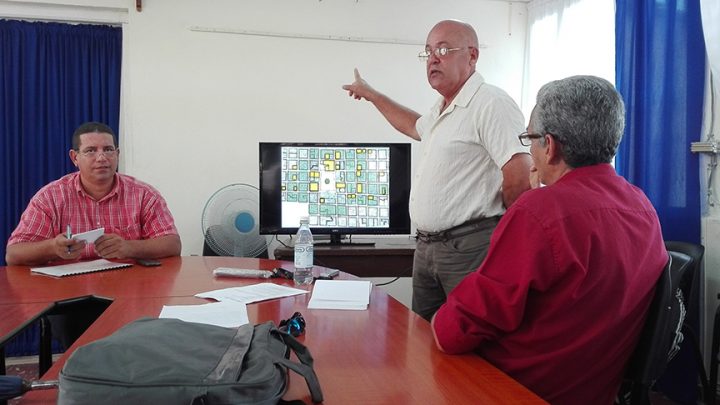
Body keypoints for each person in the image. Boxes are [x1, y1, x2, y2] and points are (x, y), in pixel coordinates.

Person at [431, 75, 668, 405]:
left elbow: (455, 332)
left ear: (551, 145)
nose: (530, 149)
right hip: (595, 391)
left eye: (530, 138)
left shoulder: (540, 213)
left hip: (515, 389)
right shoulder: (641, 204)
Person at [342, 20, 532, 321]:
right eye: (428, 51)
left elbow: (521, 176)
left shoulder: (490, 103)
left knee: (467, 345)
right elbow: (414, 126)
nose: (433, 58)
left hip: (468, 247)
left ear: (472, 56)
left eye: (443, 49)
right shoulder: (445, 107)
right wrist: (372, 95)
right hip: (428, 248)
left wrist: (502, 237)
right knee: (424, 343)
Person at [6, 121, 181, 266]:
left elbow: (172, 244)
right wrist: (53, 247)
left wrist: (129, 247)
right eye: (91, 151)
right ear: (75, 157)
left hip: (129, 284)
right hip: (67, 287)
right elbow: (14, 254)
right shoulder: (50, 197)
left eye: (108, 150)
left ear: (117, 154)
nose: (101, 158)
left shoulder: (144, 195)